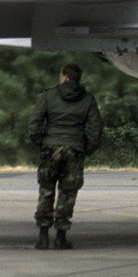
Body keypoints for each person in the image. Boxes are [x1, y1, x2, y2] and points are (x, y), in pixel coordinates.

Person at [29, 63, 103, 248]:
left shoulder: (48, 96)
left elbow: (35, 123)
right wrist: (87, 149)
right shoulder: (88, 100)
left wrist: (42, 142)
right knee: (68, 193)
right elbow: (95, 129)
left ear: (64, 76)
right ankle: (61, 236)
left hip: (50, 148)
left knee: (46, 190)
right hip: (75, 149)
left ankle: (43, 236)